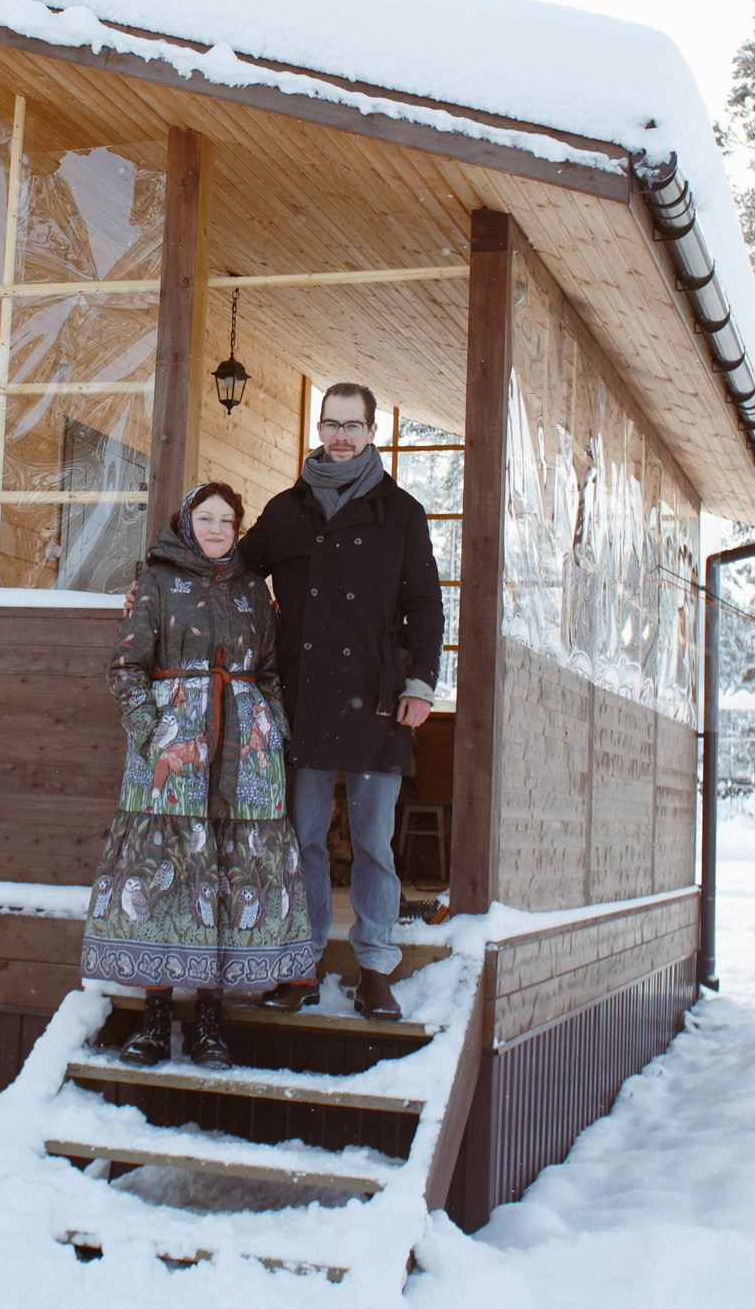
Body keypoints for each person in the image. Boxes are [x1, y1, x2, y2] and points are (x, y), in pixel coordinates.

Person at [81, 482, 319, 1068]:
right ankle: (156, 1017)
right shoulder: (157, 583)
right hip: (172, 755)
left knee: (225, 874)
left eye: (226, 521)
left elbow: (266, 671)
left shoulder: (252, 591)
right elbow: (125, 668)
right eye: (205, 519)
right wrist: (150, 733)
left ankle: (212, 1016)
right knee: (164, 871)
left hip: (245, 749)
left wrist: (274, 732)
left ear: (238, 529)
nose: (216, 529)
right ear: (186, 524)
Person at [240, 384, 444, 1021]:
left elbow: (426, 605)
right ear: (319, 426)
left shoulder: (401, 513)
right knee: (301, 838)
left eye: (352, 426)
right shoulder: (286, 509)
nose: (341, 437)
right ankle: (300, 965)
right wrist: (162, 585)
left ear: (372, 431)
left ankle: (376, 967)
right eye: (331, 424)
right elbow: (234, 571)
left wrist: (421, 683)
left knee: (373, 844)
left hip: (378, 701)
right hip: (300, 698)